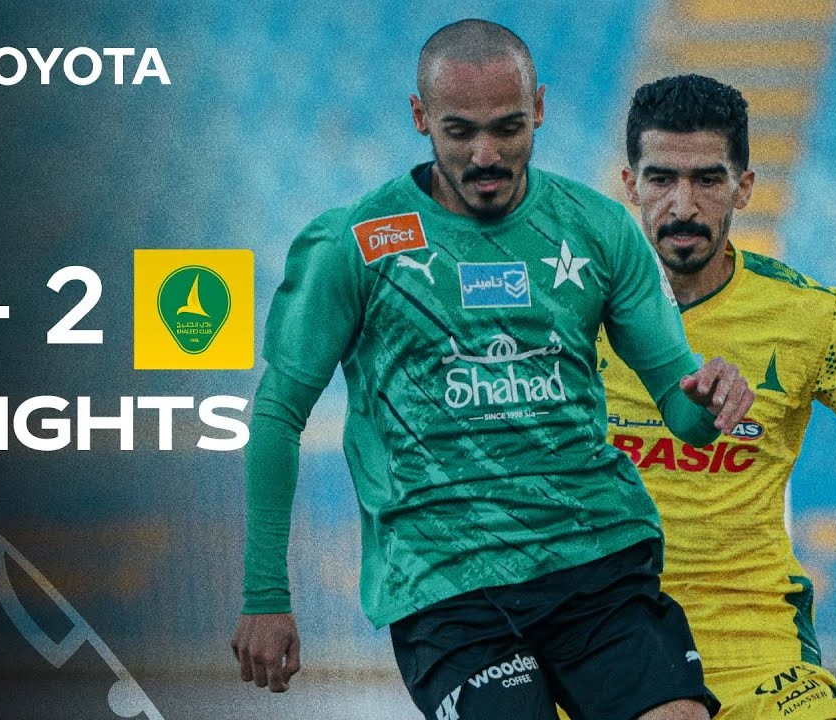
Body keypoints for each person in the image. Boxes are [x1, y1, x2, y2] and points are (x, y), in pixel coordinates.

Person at [231, 21, 757, 720]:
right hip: (448, 581)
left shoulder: (598, 228)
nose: (486, 155)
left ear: (538, 108)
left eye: (508, 128)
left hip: (596, 561)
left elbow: (681, 407)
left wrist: (710, 401)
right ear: (421, 118)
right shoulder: (356, 242)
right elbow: (277, 414)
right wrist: (266, 595)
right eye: (460, 132)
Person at [598, 74, 836, 720]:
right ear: (630, 184)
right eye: (661, 179)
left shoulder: (809, 315)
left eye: (708, 179)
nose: (682, 204)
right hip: (604, 638)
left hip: (757, 642)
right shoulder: (575, 312)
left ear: (745, 186)